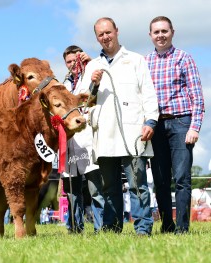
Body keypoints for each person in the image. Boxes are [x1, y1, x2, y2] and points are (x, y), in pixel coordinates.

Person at [81, 17, 159, 235]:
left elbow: (148, 93)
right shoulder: (93, 67)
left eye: (108, 32)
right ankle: (112, 228)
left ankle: (143, 228)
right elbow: (85, 103)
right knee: (109, 187)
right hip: (104, 134)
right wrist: (93, 85)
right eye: (100, 34)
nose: (105, 37)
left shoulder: (136, 60)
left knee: (137, 184)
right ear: (96, 38)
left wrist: (151, 120)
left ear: (116, 31)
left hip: (133, 132)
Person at [145, 16, 205, 234]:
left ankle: (182, 227)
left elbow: (197, 96)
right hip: (155, 126)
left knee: (182, 179)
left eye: (164, 31)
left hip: (181, 122)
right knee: (160, 179)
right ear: (150, 35)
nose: (160, 35)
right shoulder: (145, 62)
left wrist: (194, 127)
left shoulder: (184, 58)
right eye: (156, 32)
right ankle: (167, 225)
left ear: (172, 32)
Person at [61, 45, 105, 234]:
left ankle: (101, 228)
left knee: (95, 189)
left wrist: (91, 62)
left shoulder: (92, 74)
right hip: (69, 143)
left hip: (88, 139)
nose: (72, 64)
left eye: (75, 60)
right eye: (69, 62)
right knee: (71, 191)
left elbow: (104, 78)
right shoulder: (63, 86)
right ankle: (74, 228)